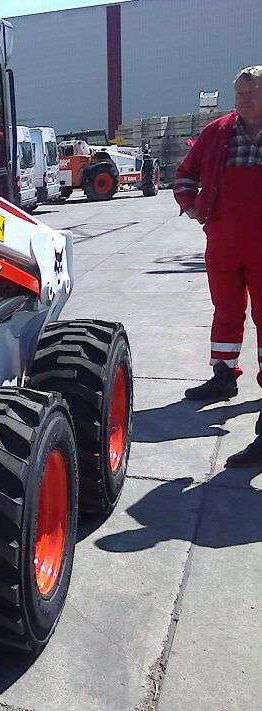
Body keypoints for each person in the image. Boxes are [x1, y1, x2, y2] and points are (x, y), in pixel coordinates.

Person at [175, 65, 262, 465]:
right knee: (225, 310)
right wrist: (191, 207)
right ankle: (223, 377)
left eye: (251, 93)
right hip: (224, 240)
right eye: (239, 93)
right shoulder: (217, 132)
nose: (243, 100)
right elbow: (185, 175)